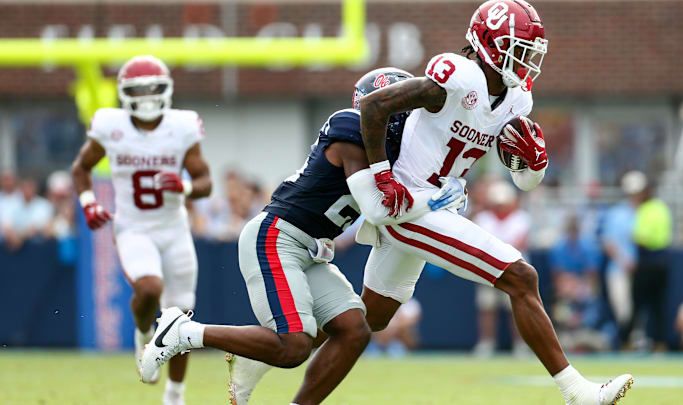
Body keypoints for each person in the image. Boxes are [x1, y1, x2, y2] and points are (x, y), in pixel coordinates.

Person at [308, 1, 633, 404]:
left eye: (533, 50)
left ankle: (273, 348)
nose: (529, 59)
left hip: (436, 206)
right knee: (522, 277)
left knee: (368, 318)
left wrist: (533, 165)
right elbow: (374, 105)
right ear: (491, 44)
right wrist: (381, 176)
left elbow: (524, 181)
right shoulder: (457, 76)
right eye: (522, 48)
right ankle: (577, 391)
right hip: (410, 206)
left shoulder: (517, 101)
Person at [139, 68, 466, 405]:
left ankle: (283, 387)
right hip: (277, 237)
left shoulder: (396, 154)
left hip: (311, 250)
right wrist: (438, 198)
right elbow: (376, 206)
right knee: (293, 345)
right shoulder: (349, 127)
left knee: (355, 331)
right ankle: (183, 333)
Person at [71, 55, 212, 405]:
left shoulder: (181, 127)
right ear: (124, 93)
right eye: (139, 89)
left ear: (166, 90)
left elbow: (205, 181)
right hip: (133, 226)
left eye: (153, 88)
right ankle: (145, 334)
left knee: (181, 316)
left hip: (173, 229)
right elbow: (81, 168)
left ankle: (175, 393)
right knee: (149, 288)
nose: (147, 96)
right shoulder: (110, 125)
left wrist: (184, 187)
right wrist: (88, 202)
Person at [472, 180, 531, 356]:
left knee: (516, 309)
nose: (501, 207)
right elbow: (480, 243)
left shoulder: (521, 218)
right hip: (487, 271)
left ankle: (520, 345)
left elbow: (520, 243)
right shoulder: (483, 218)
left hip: (515, 272)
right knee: (486, 309)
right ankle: (486, 344)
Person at [550, 215, 610, 352]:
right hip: (567, 290)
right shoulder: (560, 247)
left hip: (583, 288)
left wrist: (580, 288)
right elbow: (558, 275)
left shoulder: (587, 247)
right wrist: (568, 287)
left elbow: (591, 275)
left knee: (601, 338)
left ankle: (582, 338)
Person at [601, 170, 644, 345]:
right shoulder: (616, 213)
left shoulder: (646, 212)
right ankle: (626, 339)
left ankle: (637, 339)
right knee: (623, 308)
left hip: (641, 269)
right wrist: (623, 260)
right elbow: (608, 241)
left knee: (638, 306)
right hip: (619, 268)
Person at [629, 174, 672, 351]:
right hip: (663, 261)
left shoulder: (645, 209)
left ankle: (629, 343)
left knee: (638, 305)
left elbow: (641, 237)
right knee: (659, 306)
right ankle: (659, 343)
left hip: (647, 262)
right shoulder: (662, 208)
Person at [0, 178, 53, 251]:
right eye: (24, 187)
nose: (27, 190)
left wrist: (20, 237)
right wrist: (14, 237)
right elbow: (6, 225)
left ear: (35, 189)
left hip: (38, 248)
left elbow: (40, 228)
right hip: (14, 247)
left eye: (30, 187)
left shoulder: (44, 204)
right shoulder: (12, 204)